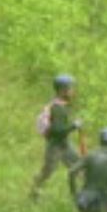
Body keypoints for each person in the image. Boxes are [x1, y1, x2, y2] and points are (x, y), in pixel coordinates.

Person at [27, 74, 82, 203]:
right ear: (63, 90)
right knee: (48, 171)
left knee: (79, 166)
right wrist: (74, 126)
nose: (73, 91)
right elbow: (58, 131)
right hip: (55, 146)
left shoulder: (61, 106)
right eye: (70, 88)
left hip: (64, 144)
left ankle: (78, 195)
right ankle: (34, 192)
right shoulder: (58, 109)